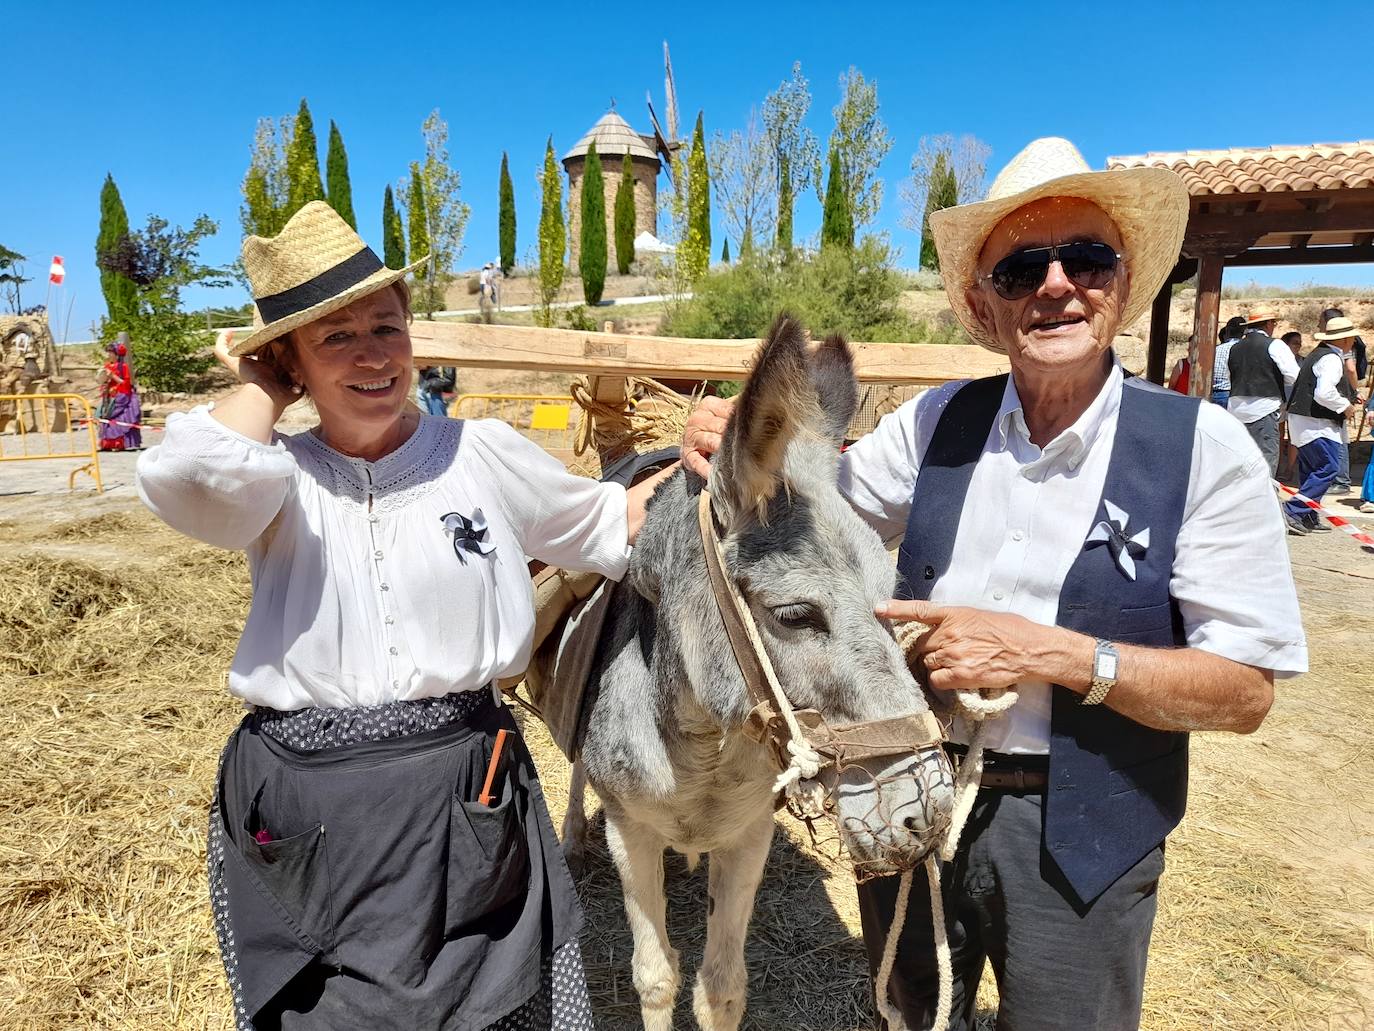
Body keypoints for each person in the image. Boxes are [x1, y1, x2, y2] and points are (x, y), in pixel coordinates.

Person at [683, 137, 1306, 1030]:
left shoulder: (1203, 451)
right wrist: (735, 444)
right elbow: (808, 515)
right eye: (1021, 267)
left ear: (1122, 285)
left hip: (1088, 833)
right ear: (986, 301)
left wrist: (1050, 653)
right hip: (911, 792)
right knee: (906, 1016)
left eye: (1086, 258)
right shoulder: (937, 422)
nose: (1056, 284)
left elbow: (1245, 691)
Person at [136, 202, 675, 1031]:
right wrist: (257, 384)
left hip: (464, 790)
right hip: (311, 810)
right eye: (335, 338)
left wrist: (717, 448)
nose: (372, 356)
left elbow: (608, 525)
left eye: (386, 327)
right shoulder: (276, 476)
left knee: (493, 1002)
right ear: (292, 366)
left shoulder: (480, 453)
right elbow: (191, 481)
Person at [1283, 316, 1365, 533]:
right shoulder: (1331, 359)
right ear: (1347, 339)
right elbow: (1324, 393)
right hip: (1316, 422)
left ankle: (1308, 514)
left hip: (1304, 420)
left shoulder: (1319, 354)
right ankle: (1293, 509)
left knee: (1311, 470)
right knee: (1328, 467)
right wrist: (1345, 406)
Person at [1227, 304, 1300, 475]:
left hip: (1236, 408)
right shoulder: (1275, 345)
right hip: (1265, 407)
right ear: (1268, 324)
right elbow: (1294, 376)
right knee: (1267, 456)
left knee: (1242, 457)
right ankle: (1265, 498)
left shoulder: (1235, 347)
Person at [1318, 308, 1361, 495]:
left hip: (1340, 393)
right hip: (1340, 393)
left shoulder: (1341, 349)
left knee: (1340, 437)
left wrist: (1354, 391)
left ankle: (1341, 480)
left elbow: (1350, 369)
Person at [97, 334, 143, 451]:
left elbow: (125, 383)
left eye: (110, 353)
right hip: (109, 396)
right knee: (103, 416)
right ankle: (108, 443)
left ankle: (120, 443)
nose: (108, 355)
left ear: (116, 354)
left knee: (119, 419)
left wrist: (113, 376)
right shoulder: (107, 366)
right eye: (108, 353)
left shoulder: (123, 367)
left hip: (122, 396)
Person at [1211, 315, 1247, 406]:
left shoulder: (1216, 349)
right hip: (1230, 394)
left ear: (1227, 330)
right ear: (1244, 331)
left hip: (1211, 393)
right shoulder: (1242, 349)